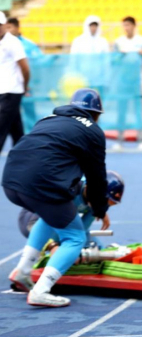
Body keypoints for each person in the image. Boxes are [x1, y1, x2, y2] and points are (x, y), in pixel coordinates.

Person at [4, 89, 109, 307]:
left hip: (10, 181)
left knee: (50, 216)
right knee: (75, 238)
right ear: (96, 114)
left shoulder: (47, 119)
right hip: (42, 185)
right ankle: (41, 291)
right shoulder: (94, 132)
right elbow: (97, 176)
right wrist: (100, 208)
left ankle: (23, 271)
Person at [18, 171, 125, 249]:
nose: (105, 208)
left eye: (110, 206)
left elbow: (81, 232)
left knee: (94, 247)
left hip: (59, 221)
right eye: (105, 203)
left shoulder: (95, 200)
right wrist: (52, 246)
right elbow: (32, 226)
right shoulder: (70, 190)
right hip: (32, 219)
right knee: (65, 246)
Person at [114, 16, 142, 149]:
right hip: (123, 82)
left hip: (138, 82)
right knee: (122, 111)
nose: (126, 28)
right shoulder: (118, 42)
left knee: (139, 111)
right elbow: (113, 61)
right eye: (124, 25)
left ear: (134, 26)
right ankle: (120, 140)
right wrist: (120, 55)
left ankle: (141, 139)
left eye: (129, 25)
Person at [5, 17, 43, 134]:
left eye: (10, 27)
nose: (8, 30)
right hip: (10, 87)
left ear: (17, 27)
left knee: (29, 112)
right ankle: (19, 140)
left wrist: (32, 82)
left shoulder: (28, 45)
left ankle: (32, 136)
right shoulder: (4, 43)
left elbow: (38, 63)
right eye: (6, 27)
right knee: (12, 116)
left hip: (27, 85)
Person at [0, 11, 30, 153]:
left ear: (5, 25)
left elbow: (24, 68)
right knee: (16, 128)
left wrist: (24, 87)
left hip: (12, 91)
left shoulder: (13, 42)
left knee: (1, 128)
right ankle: (24, 155)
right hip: (4, 91)